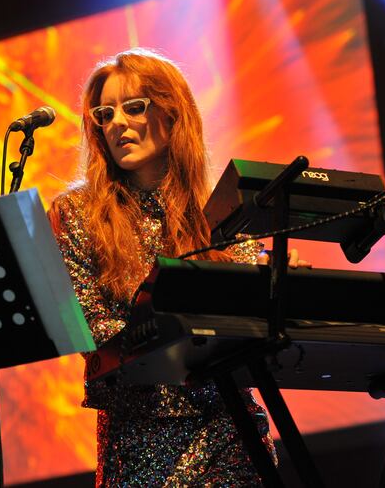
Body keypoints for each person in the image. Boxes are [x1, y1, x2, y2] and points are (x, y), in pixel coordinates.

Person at [49, 48, 305, 486]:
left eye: (133, 107)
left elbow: (251, 305)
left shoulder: (216, 212)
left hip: (228, 427)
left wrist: (275, 275)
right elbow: (88, 325)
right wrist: (184, 335)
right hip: (137, 433)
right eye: (104, 114)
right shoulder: (76, 212)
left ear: (172, 112)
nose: (117, 124)